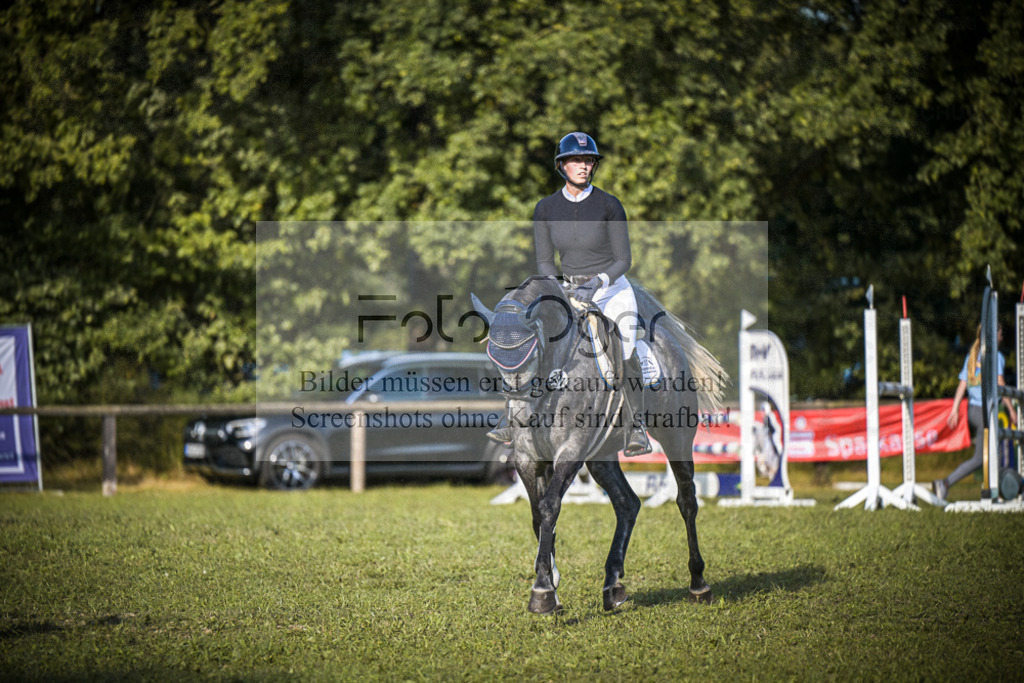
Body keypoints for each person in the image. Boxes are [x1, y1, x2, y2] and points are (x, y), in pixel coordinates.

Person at [488, 131, 654, 456]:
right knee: (534, 341)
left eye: (589, 160)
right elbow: (544, 260)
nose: (584, 166)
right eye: (577, 160)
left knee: (627, 342)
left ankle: (637, 427)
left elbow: (624, 259)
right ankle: (511, 418)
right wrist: (556, 291)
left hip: (610, 288)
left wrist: (597, 283)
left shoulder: (609, 204)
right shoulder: (546, 207)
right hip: (567, 289)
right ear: (562, 165)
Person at [933, 323, 1018, 500]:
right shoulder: (996, 356)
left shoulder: (973, 355)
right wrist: (1011, 410)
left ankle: (1005, 489)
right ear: (993, 336)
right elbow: (1001, 384)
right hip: (985, 411)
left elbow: (963, 384)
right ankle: (945, 483)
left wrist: (955, 410)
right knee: (982, 457)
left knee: (992, 455)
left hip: (973, 410)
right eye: (1001, 333)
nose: (1002, 336)